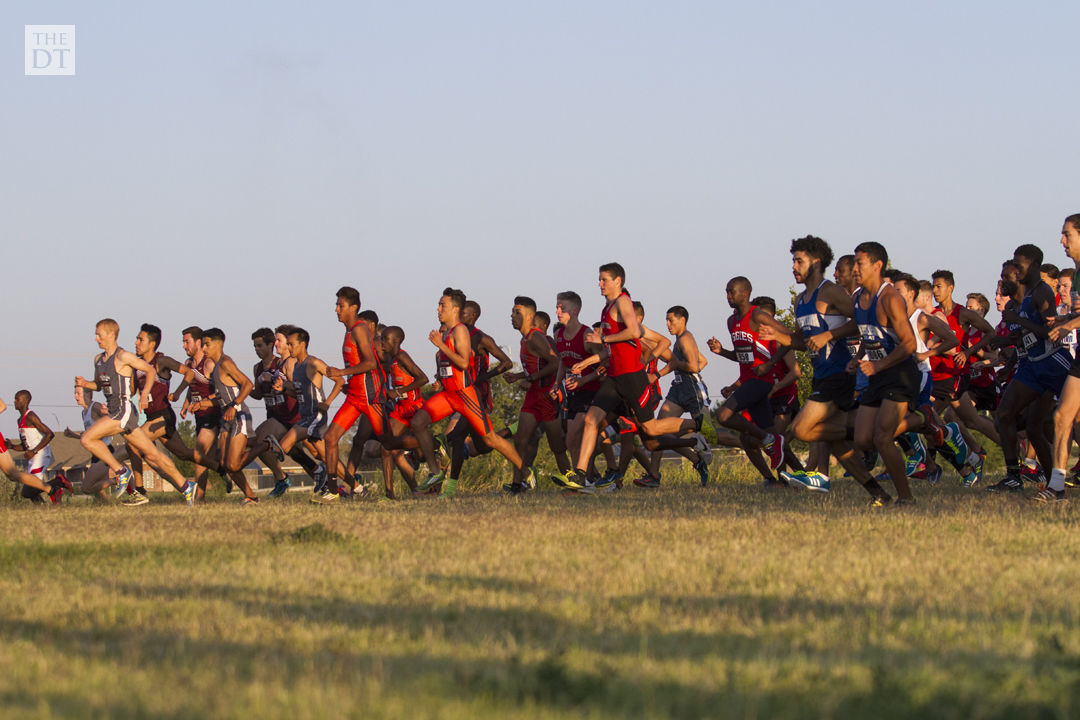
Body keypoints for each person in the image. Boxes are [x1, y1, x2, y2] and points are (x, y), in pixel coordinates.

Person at [558, 263, 706, 490]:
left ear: (618, 281)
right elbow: (611, 349)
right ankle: (580, 476)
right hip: (615, 378)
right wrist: (585, 363)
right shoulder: (607, 309)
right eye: (599, 279)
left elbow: (634, 332)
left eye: (603, 279)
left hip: (632, 378)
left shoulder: (623, 301)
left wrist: (604, 341)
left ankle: (697, 425)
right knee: (591, 420)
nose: (599, 284)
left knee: (651, 431)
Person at [410, 288, 532, 495]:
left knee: (490, 439)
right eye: (439, 305)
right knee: (418, 423)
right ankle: (434, 472)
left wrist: (441, 345)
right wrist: (440, 377)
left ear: (455, 309)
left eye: (443, 305)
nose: (438, 309)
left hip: (465, 395)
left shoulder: (460, 331)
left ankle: (526, 470)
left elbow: (464, 363)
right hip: (448, 395)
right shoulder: (446, 332)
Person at [74, 319, 197, 505]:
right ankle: (186, 486)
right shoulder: (98, 360)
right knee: (152, 454)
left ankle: (121, 471)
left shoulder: (123, 356)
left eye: (99, 334)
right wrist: (85, 384)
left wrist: (145, 392)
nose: (96, 338)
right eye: (96, 334)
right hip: (117, 413)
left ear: (111, 335)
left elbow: (149, 370)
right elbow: (99, 385)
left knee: (87, 439)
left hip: (123, 412)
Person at [991, 244, 1070, 493]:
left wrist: (1019, 322)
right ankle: (1020, 477)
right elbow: (1026, 337)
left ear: (1034, 265)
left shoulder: (1042, 292)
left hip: (1053, 362)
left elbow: (1051, 333)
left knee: (1069, 421)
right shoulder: (1026, 296)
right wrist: (1009, 350)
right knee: (1007, 415)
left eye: (1019, 264)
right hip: (1033, 366)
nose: (1015, 268)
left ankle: (1056, 481)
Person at [848, 243, 920, 505]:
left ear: (877, 266)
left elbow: (910, 344)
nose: (855, 269)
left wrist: (878, 365)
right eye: (854, 263)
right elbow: (869, 334)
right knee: (863, 439)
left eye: (860, 263)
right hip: (878, 375)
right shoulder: (857, 298)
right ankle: (916, 420)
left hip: (900, 374)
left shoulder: (889, 297)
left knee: (882, 437)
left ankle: (906, 498)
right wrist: (857, 359)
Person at [707, 277, 788, 470]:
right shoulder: (731, 321)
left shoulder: (758, 315)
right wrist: (722, 351)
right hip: (747, 380)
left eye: (731, 292)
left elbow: (789, 338)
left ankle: (767, 439)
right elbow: (742, 356)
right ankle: (788, 476)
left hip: (761, 380)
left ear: (745, 293)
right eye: (726, 291)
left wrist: (770, 364)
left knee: (723, 416)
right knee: (774, 437)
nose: (727, 296)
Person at [503, 296, 572, 488]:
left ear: (530, 316)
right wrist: (518, 376)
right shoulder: (524, 339)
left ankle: (573, 480)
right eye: (512, 311)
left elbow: (557, 363)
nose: (512, 316)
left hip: (547, 396)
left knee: (556, 446)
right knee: (520, 441)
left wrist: (531, 379)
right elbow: (534, 367)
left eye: (517, 312)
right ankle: (517, 484)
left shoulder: (536, 337)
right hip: (532, 397)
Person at [271, 327, 346, 498]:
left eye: (291, 344)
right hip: (305, 416)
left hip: (315, 416)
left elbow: (340, 380)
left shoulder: (314, 363)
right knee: (327, 457)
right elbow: (299, 394)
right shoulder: (296, 367)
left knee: (285, 445)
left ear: (302, 344)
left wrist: (327, 403)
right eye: (287, 344)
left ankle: (320, 472)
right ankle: (355, 486)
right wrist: (283, 389)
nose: (289, 348)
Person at [649, 305, 712, 485]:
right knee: (658, 431)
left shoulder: (686, 338)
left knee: (710, 433)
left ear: (682, 320)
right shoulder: (679, 341)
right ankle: (654, 475)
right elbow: (703, 361)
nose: (668, 324)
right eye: (666, 321)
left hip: (693, 389)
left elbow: (694, 366)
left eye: (671, 320)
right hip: (678, 388)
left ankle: (748, 442)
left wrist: (676, 363)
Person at [200, 328, 260, 504]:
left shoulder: (226, 363)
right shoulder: (216, 367)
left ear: (219, 344)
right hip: (226, 419)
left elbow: (247, 384)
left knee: (233, 465)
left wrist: (234, 405)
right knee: (226, 464)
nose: (203, 348)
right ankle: (251, 496)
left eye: (207, 344)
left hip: (238, 415)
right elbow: (222, 397)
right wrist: (200, 404)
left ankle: (266, 445)